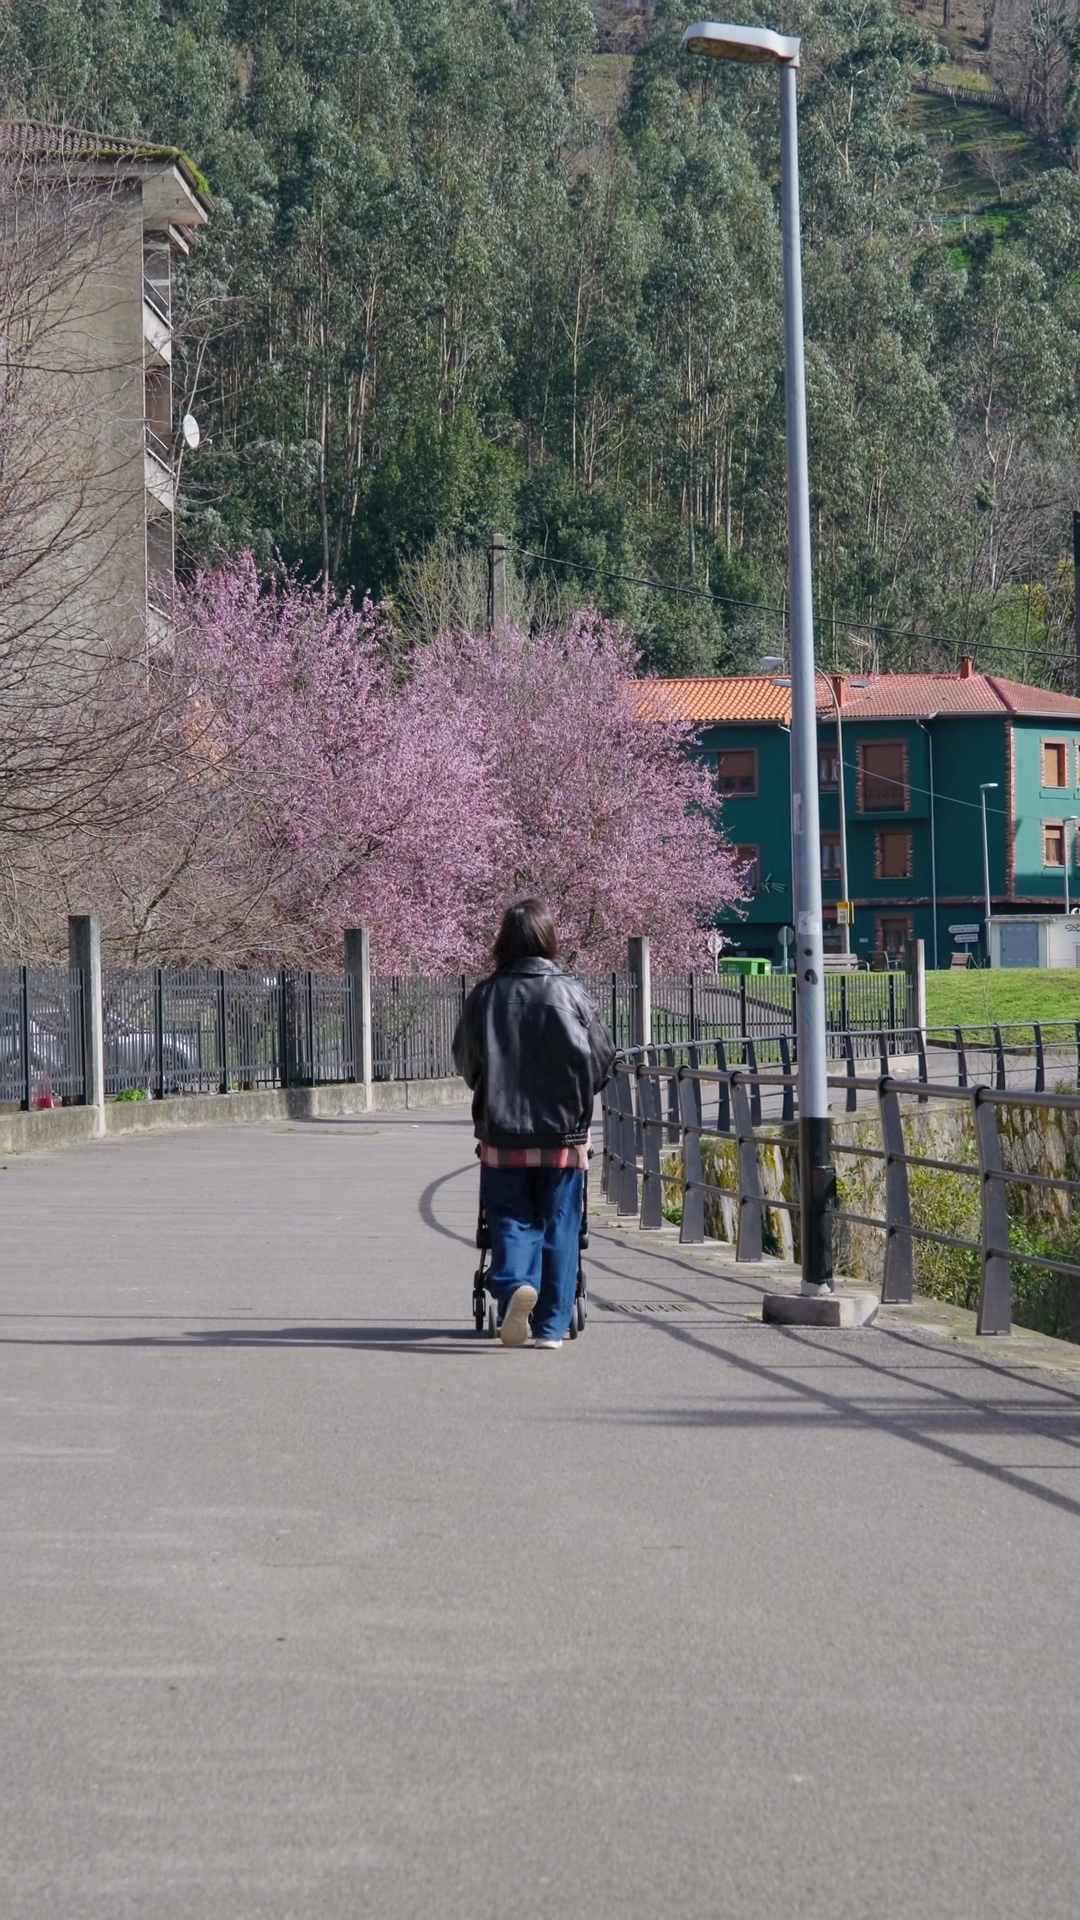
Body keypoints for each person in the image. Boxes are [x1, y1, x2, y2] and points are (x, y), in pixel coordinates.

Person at [452, 899, 616, 1349]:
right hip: (564, 1134)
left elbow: (466, 1060)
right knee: (561, 1222)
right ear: (548, 939)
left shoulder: (484, 996)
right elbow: (603, 1059)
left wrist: (488, 1088)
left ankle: (515, 1285)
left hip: (502, 1132)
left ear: (503, 942)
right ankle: (550, 1328)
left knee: (509, 1215)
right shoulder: (573, 995)